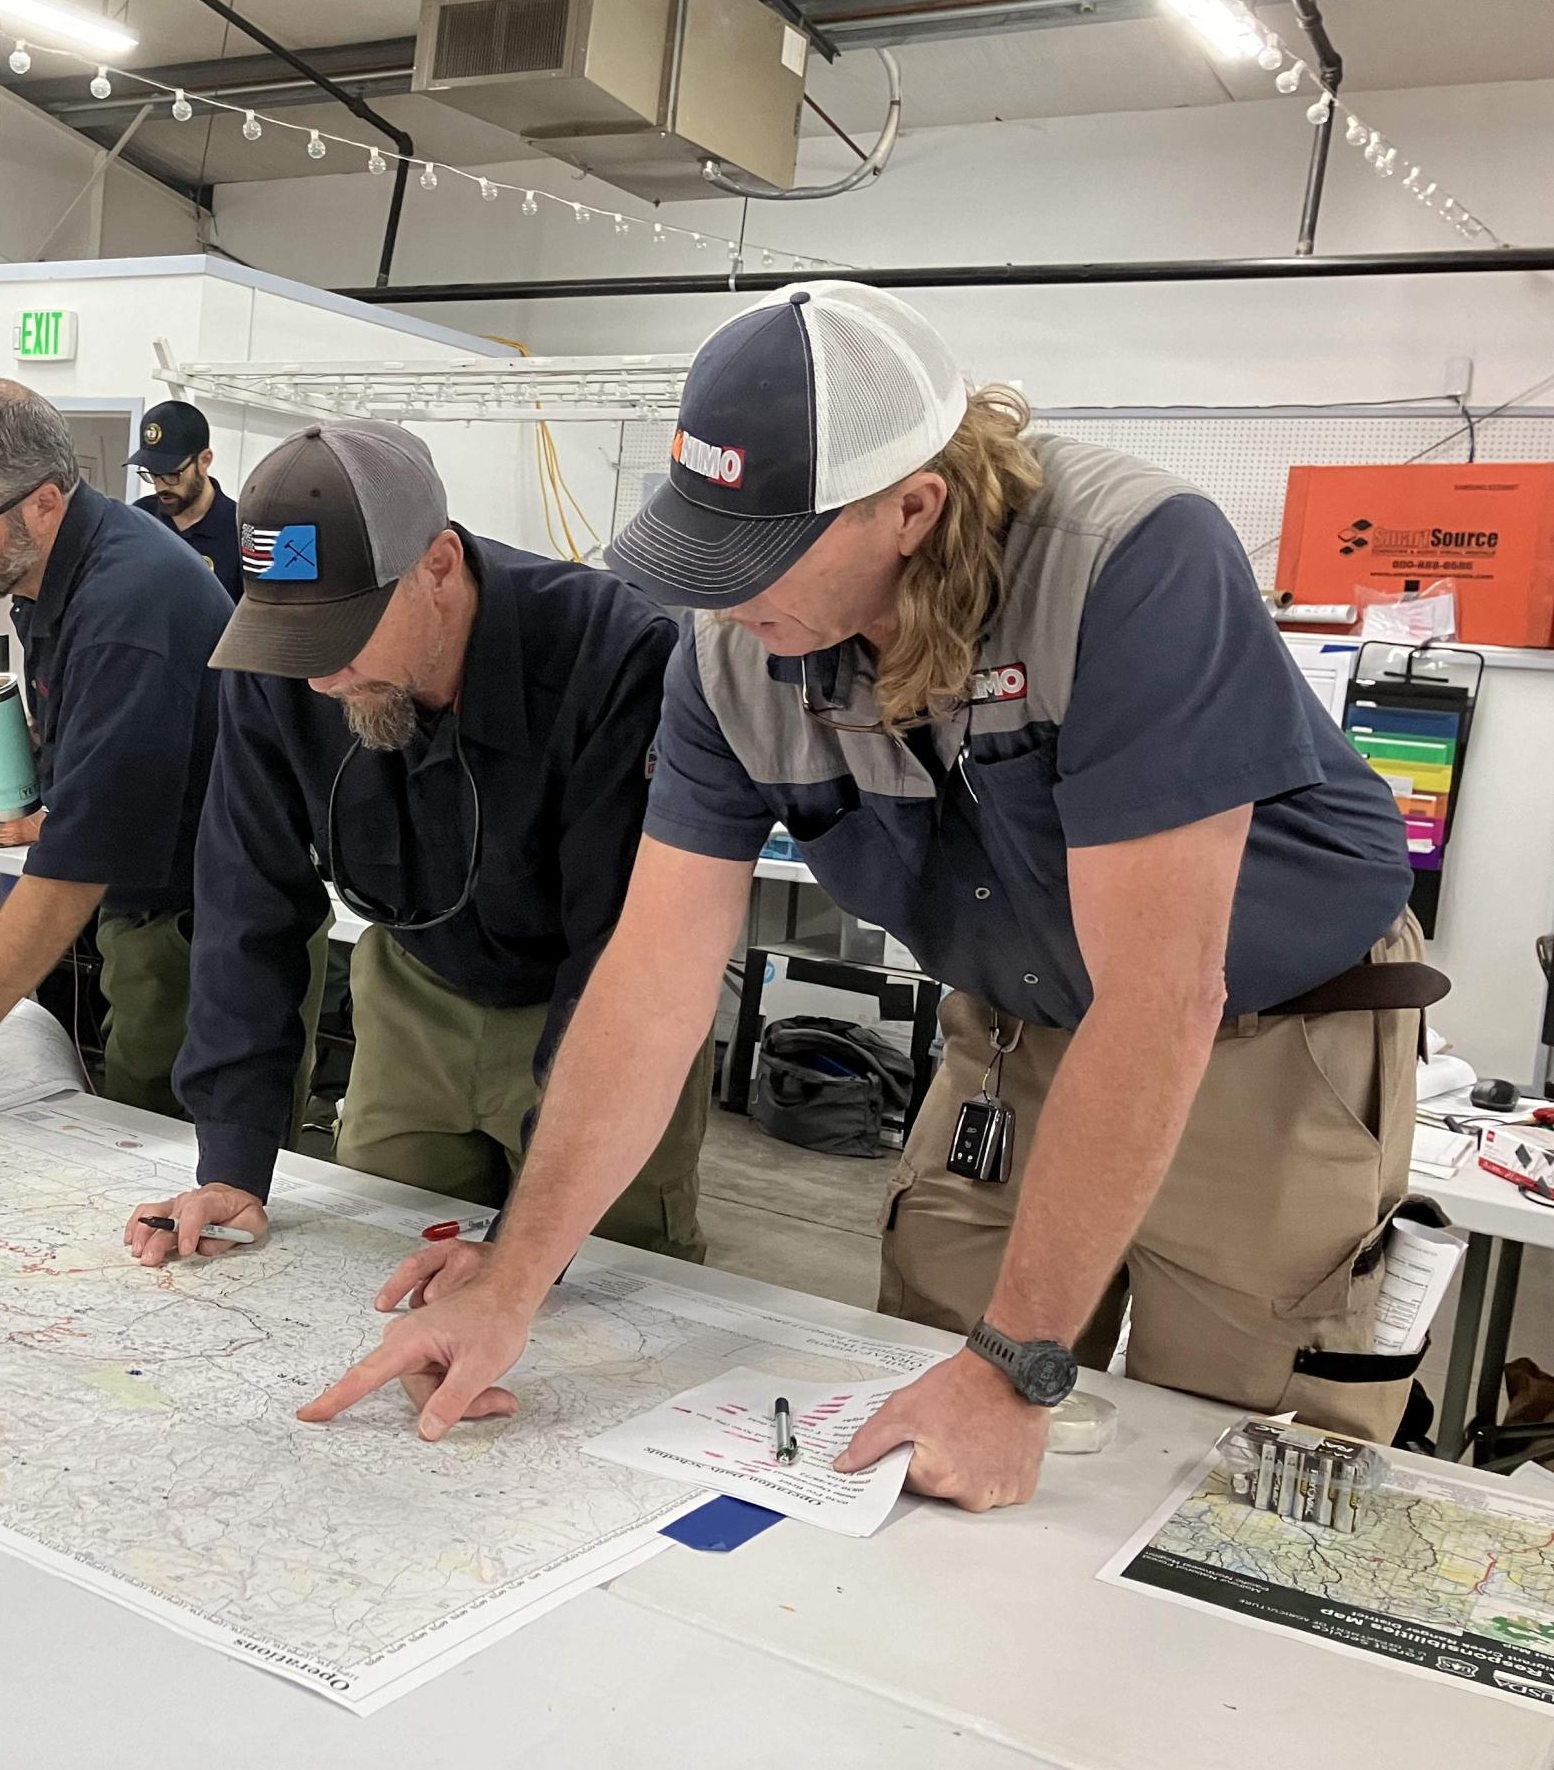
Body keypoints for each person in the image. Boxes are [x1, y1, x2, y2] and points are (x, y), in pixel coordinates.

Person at [304, 283, 1425, 1515]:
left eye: (759, 558)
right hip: (1010, 1026)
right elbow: (652, 982)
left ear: (911, 507)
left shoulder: (1129, 563)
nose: (723, 598)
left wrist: (1013, 1368)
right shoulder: (730, 654)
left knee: (1222, 1452)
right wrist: (515, 1276)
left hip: (1261, 1032)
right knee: (909, 1403)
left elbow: (1160, 997)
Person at [124, 421, 712, 1269]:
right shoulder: (280, 666)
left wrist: (520, 1252)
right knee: (370, 1260)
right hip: (414, 993)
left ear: (437, 566)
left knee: (606, 1281)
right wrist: (233, 1161)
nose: (319, 677)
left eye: (342, 633)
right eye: (292, 640)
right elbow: (246, 905)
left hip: (599, 1008)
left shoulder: (612, 655)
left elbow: (619, 955)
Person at [0, 377, 231, 1118]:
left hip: (197, 932)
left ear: (42, 500)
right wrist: (39, 754)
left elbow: (77, 864)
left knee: (150, 1144)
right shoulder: (53, 568)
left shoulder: (127, 603)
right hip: (146, 913)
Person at [129, 399, 242, 600]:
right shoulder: (138, 520)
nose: (160, 486)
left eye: (172, 474)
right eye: (153, 474)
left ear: (205, 460)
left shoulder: (240, 531)